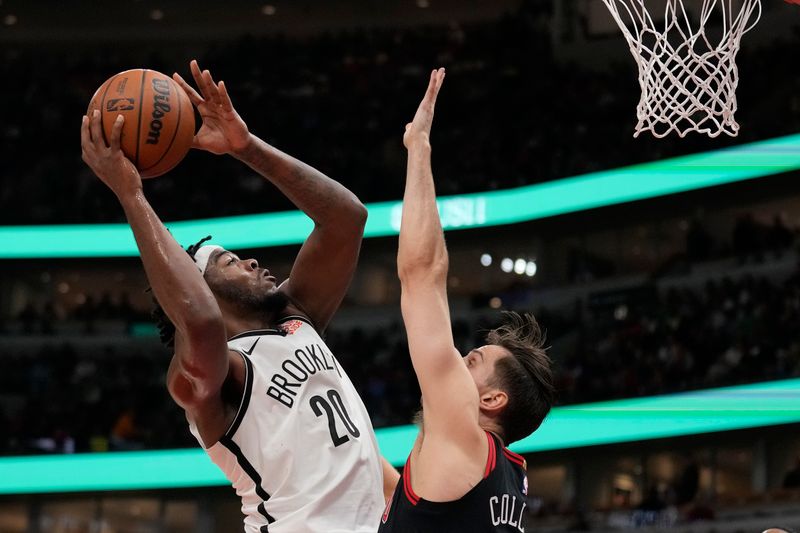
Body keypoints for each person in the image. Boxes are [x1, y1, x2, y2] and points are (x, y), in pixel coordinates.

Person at [80, 59, 398, 532]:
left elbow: (346, 218)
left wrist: (245, 147)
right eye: (231, 263)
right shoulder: (205, 376)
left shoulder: (296, 315)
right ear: (198, 284)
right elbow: (202, 321)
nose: (252, 263)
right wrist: (133, 197)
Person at [378, 69, 555, 532]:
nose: (456, 359)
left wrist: (418, 149)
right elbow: (409, 507)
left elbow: (422, 276)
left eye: (472, 361)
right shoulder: (505, 476)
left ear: (492, 399)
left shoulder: (464, 435)